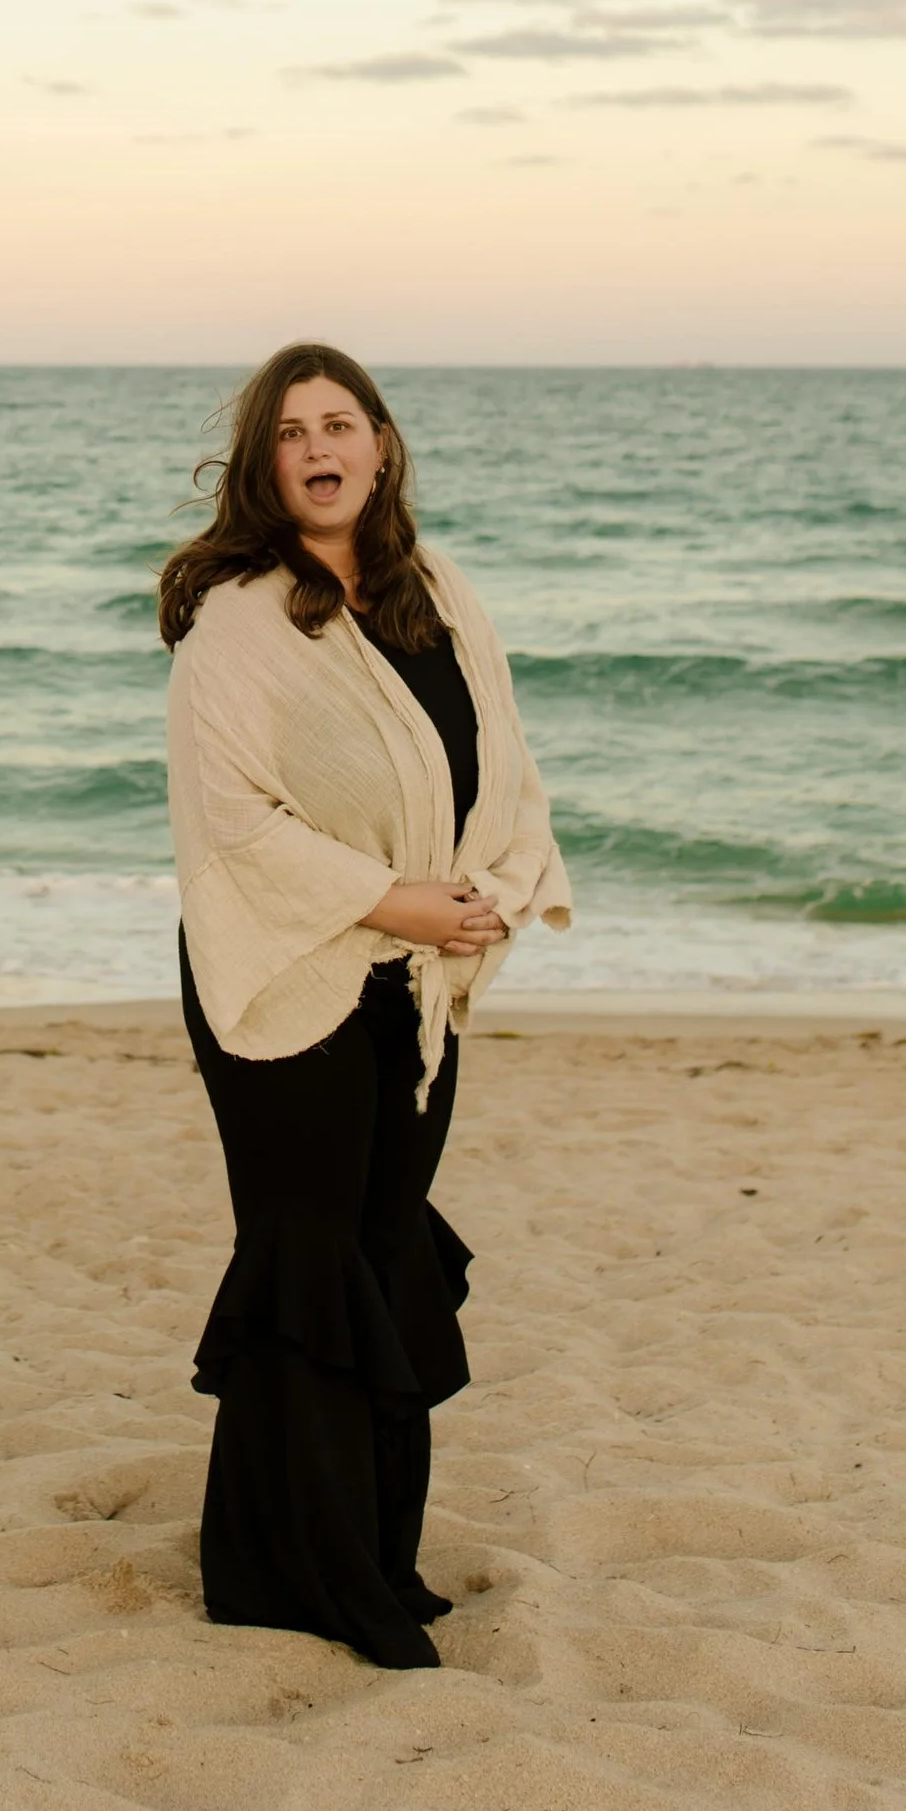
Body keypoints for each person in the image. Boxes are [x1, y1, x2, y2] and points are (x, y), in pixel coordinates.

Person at [161, 344, 568, 1671]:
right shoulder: (240, 621)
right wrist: (396, 902)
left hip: (418, 978)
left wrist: (493, 890)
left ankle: (369, 1557)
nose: (319, 448)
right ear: (263, 465)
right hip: (290, 972)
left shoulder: (436, 589)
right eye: (291, 432)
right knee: (310, 1256)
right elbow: (234, 822)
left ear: (381, 445)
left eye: (340, 423)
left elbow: (503, 764)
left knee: (382, 1251)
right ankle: (310, 1578)